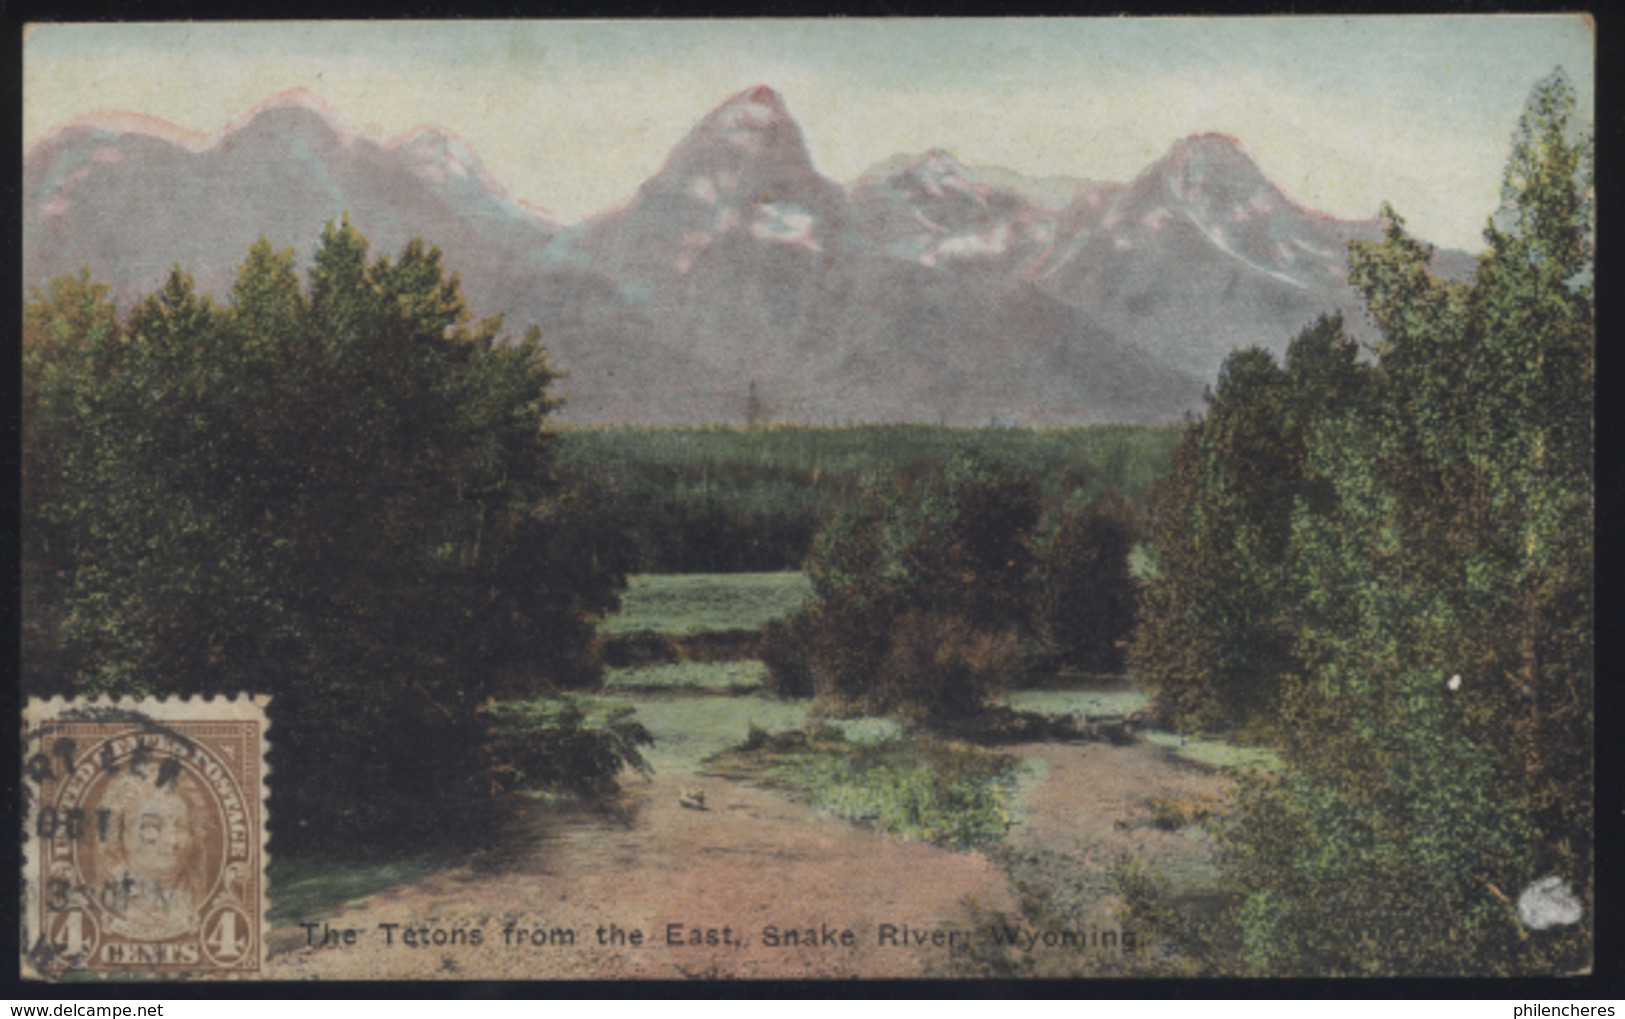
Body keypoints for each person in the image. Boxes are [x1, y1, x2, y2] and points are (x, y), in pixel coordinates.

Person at [87, 761, 211, 940]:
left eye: (181, 827)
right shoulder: (105, 902)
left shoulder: (195, 899)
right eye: (152, 827)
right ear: (119, 834)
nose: (172, 841)